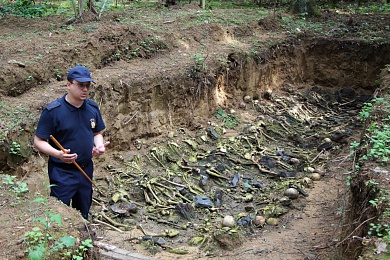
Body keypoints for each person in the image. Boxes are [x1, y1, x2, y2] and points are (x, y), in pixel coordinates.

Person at [34, 65, 110, 220]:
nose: (85, 90)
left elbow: (96, 133)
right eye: (81, 85)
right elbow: (38, 141)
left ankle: (84, 239)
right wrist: (58, 154)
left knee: (83, 210)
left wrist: (98, 146)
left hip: (85, 168)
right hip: (61, 171)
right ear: (68, 84)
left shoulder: (92, 108)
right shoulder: (53, 111)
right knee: (59, 213)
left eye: (87, 86)